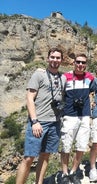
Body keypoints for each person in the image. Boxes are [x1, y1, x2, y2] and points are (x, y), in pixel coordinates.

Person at [16, 48, 66, 184]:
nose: (55, 60)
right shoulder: (39, 75)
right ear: (48, 58)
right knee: (29, 158)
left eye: (58, 58)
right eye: (53, 57)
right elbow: (29, 98)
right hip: (39, 122)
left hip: (54, 123)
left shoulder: (63, 78)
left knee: (45, 156)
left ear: (62, 60)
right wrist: (35, 121)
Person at [59, 54, 95, 184]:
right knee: (66, 146)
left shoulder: (90, 78)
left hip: (85, 116)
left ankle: (73, 172)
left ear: (86, 64)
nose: (80, 64)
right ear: (74, 63)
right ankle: (64, 173)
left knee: (81, 146)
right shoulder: (66, 77)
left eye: (83, 62)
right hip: (69, 116)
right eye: (78, 62)